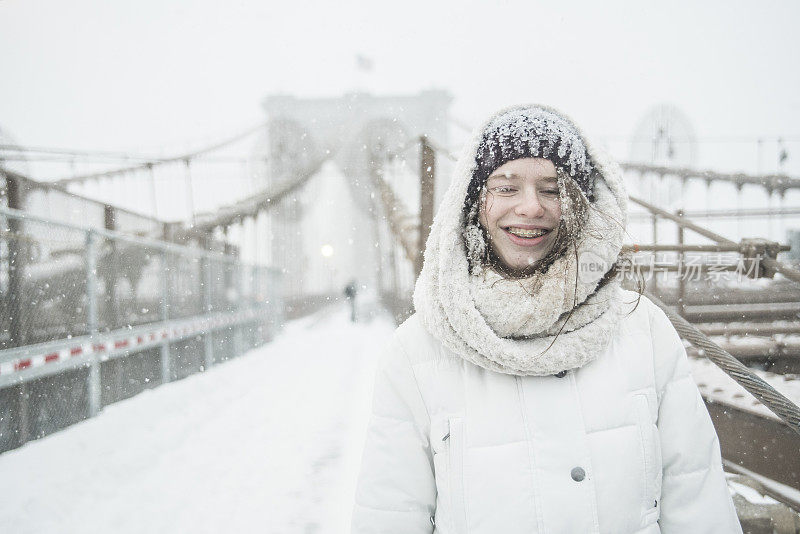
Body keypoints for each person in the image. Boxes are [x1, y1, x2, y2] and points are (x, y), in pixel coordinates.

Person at [351, 105, 742, 533]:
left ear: (582, 203)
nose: (530, 207)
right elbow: (390, 515)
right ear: (473, 199)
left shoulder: (643, 330)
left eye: (553, 189)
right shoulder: (416, 353)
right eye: (505, 187)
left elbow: (696, 499)